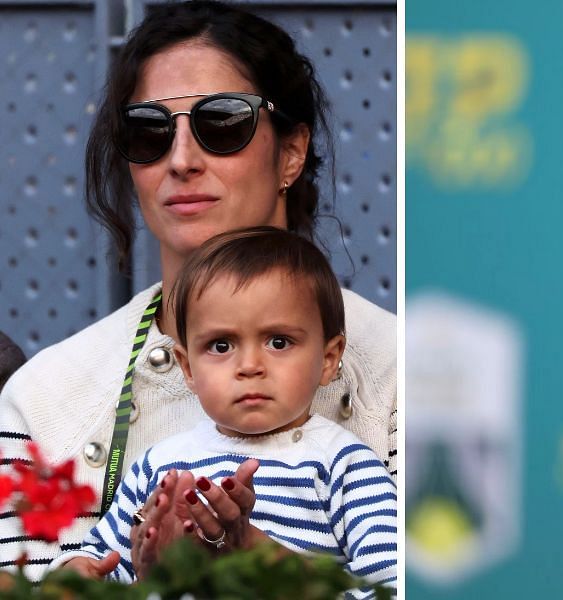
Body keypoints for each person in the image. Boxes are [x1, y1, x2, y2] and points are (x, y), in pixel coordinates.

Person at [0, 0, 397, 581]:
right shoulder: (43, 399)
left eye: (223, 123)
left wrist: (266, 568)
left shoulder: (399, 375)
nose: (182, 160)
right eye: (148, 131)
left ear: (291, 151)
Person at [48, 227, 396, 597]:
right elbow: (105, 560)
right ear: (188, 368)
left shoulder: (346, 467)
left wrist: (271, 565)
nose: (249, 365)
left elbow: (389, 587)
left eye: (278, 342)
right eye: (221, 344)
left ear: (328, 359)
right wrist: (82, 572)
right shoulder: (159, 466)